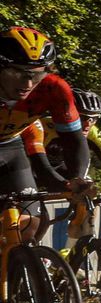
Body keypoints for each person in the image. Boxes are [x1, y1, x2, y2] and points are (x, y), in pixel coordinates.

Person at [0, 26, 92, 240]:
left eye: (38, 74)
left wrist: (76, 179)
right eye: (18, 73)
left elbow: (74, 140)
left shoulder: (53, 88)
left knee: (28, 224)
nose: (28, 83)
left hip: (10, 147)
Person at [22, 88, 101, 197]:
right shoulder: (44, 126)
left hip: (59, 170)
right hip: (31, 168)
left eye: (95, 118)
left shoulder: (93, 133)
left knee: (88, 188)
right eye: (83, 118)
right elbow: (38, 167)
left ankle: (83, 223)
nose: (88, 124)